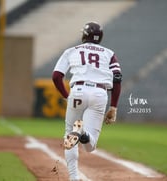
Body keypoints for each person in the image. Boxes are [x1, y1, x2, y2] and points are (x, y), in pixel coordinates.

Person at [52, 22, 122, 181]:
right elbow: (117, 78)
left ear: (84, 35)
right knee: (90, 146)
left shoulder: (72, 51)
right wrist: (114, 107)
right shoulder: (109, 53)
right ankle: (82, 132)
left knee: (69, 133)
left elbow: (56, 76)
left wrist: (65, 95)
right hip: (99, 93)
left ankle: (74, 177)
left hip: (78, 90)